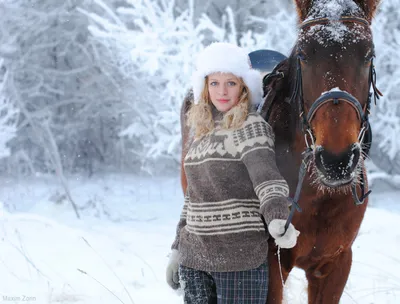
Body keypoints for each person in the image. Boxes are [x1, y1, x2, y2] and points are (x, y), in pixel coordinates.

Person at [166, 42, 299, 304]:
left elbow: (268, 179)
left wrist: (276, 218)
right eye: (214, 83)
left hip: (239, 259)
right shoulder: (202, 131)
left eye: (231, 83)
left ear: (244, 87)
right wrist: (176, 249)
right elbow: (194, 197)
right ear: (204, 87)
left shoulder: (251, 126)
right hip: (194, 261)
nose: (222, 91)